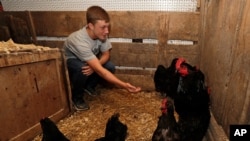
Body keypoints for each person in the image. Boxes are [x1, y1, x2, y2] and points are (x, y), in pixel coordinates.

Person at [63, 5, 141, 111]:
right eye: (103, 27)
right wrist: (124, 85)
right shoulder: (79, 40)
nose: (107, 31)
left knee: (109, 66)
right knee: (81, 69)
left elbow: (106, 54)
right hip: (73, 62)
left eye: (107, 26)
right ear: (91, 26)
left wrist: (94, 66)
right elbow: (100, 71)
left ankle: (89, 86)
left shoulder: (102, 35)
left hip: (89, 59)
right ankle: (77, 98)